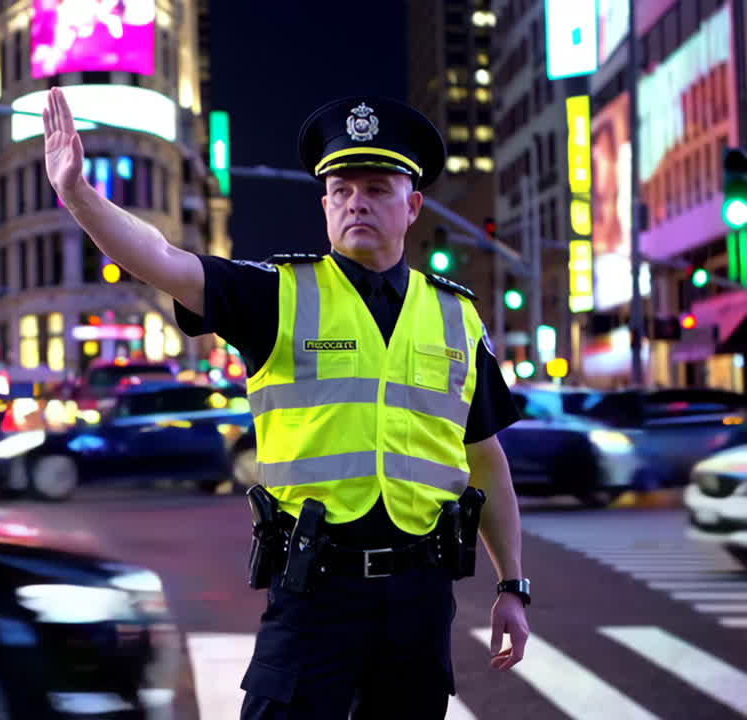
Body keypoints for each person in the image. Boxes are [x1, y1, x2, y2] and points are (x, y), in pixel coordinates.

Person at [43, 88, 531, 719]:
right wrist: (78, 194)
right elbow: (163, 260)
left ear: (412, 206)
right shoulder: (278, 294)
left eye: (377, 188)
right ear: (325, 204)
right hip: (314, 592)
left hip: (421, 594)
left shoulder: (456, 316)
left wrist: (512, 584)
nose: (357, 201)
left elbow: (484, 457)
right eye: (342, 189)